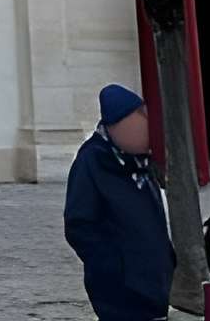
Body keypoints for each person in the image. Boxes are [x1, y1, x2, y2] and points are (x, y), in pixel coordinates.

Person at [63, 85, 173, 321]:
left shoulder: (139, 161)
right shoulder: (91, 162)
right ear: (116, 125)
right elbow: (79, 224)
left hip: (154, 284)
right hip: (119, 289)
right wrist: (114, 266)